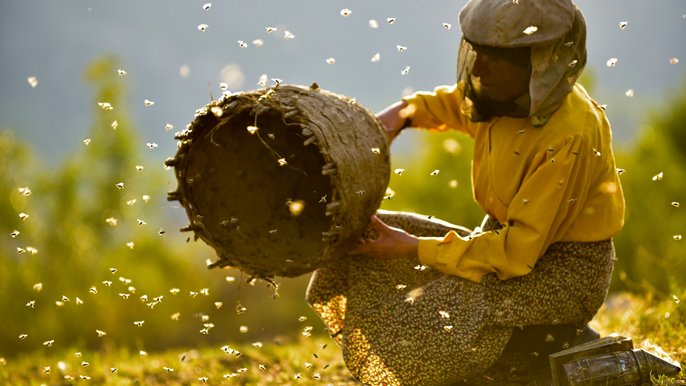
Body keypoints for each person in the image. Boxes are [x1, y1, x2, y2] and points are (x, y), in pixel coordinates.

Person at [306, 0, 625, 384]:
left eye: (494, 57)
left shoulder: (569, 134)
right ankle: (523, 349)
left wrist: (411, 247)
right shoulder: (503, 97)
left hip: (560, 275)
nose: (477, 66)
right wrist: (399, 116)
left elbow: (516, 253)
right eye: (477, 51)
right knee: (367, 240)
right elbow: (451, 105)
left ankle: (543, 347)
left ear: (538, 61)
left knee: (430, 314)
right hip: (505, 248)